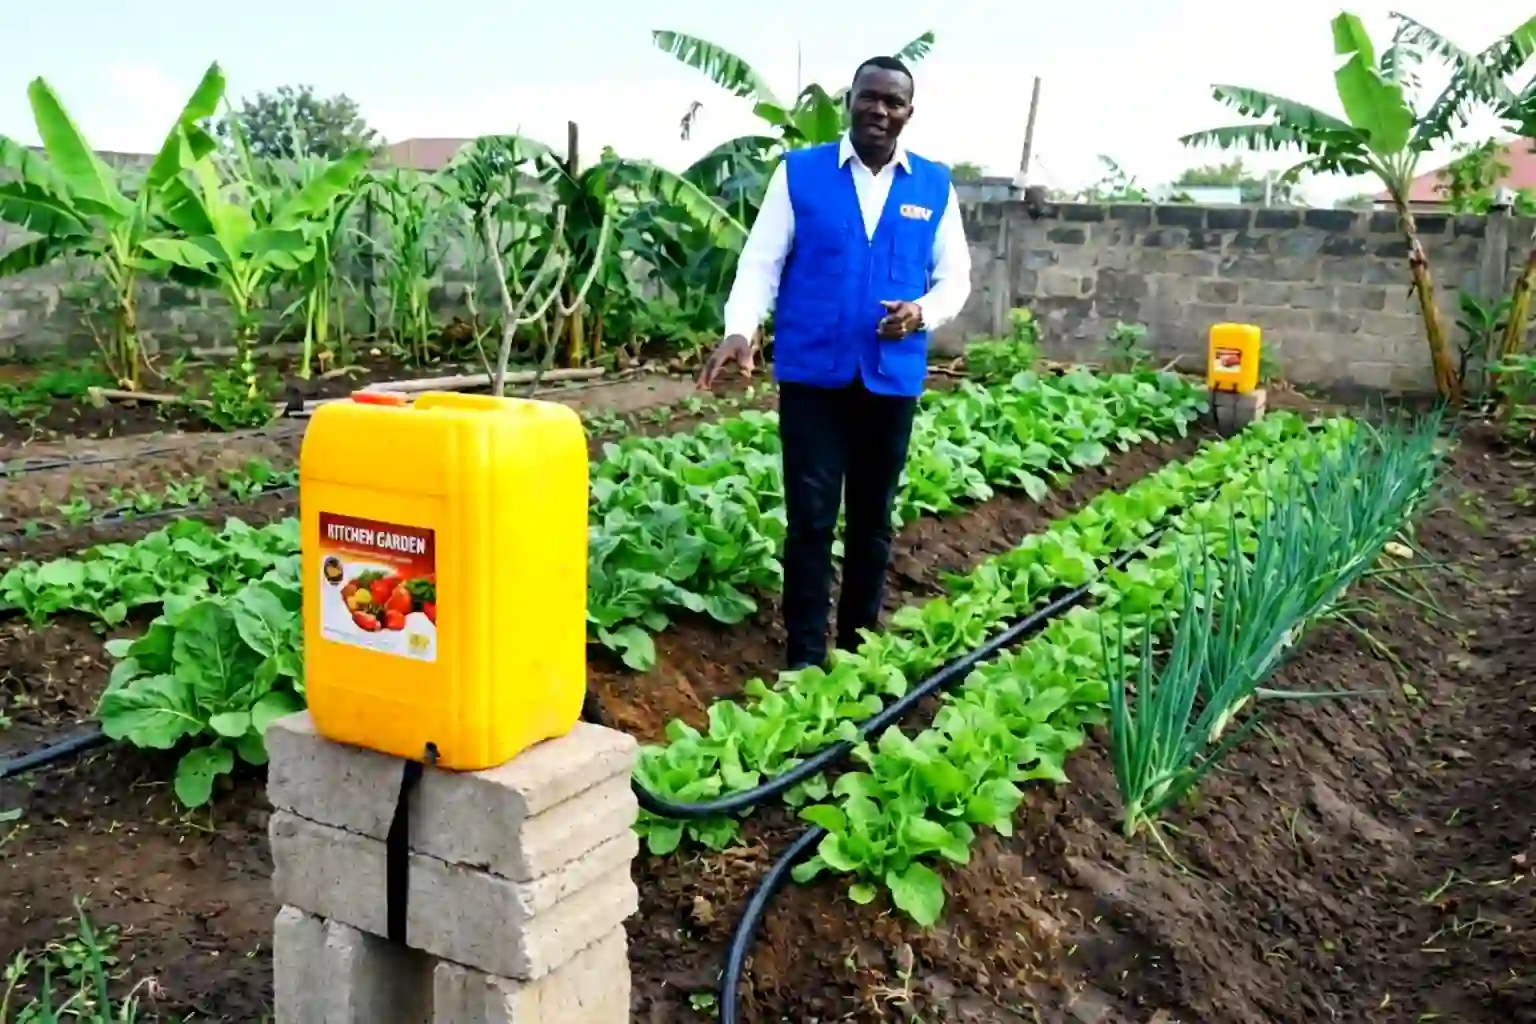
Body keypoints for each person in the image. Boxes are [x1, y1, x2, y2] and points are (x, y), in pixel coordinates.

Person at [697, 54, 972, 670]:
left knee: (873, 520)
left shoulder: (932, 185)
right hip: (813, 375)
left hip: (889, 377)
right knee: (811, 519)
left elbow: (955, 279)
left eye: (892, 102)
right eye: (869, 97)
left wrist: (921, 313)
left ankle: (856, 648)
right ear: (850, 100)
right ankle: (803, 655)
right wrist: (741, 329)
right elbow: (761, 261)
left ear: (908, 112)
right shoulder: (800, 174)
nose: (879, 109)